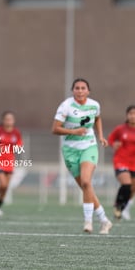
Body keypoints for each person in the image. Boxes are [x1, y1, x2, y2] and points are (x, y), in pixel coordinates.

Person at [52, 78, 112, 234]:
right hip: (70, 151)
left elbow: (97, 118)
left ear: (88, 91)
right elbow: (55, 129)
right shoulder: (66, 106)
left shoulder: (94, 105)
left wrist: (100, 136)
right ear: (73, 91)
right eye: (77, 88)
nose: (80, 91)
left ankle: (88, 222)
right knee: (86, 188)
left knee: (86, 181)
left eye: (83, 88)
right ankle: (104, 220)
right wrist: (74, 131)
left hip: (89, 146)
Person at [0, 111, 23, 216]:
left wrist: (18, 148)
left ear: (13, 121)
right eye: (7, 119)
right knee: (3, 184)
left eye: (11, 119)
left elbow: (19, 144)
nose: (9, 121)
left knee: (6, 187)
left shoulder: (16, 132)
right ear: (3, 120)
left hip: (9, 162)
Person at [108, 105, 135, 220]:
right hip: (121, 160)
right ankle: (118, 206)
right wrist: (113, 144)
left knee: (132, 189)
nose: (133, 116)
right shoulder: (121, 129)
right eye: (131, 114)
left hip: (134, 163)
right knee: (126, 183)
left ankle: (124, 207)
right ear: (127, 115)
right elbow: (110, 139)